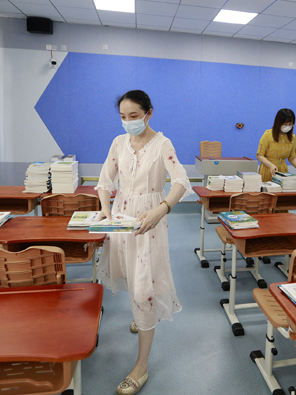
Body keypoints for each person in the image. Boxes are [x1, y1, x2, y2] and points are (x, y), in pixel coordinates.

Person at [95, 90, 192, 395]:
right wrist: (105, 208)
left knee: (144, 288)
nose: (128, 122)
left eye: (134, 116)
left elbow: (181, 181)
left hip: (149, 222)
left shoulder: (162, 145)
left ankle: (141, 366)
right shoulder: (118, 142)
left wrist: (162, 209)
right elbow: (105, 181)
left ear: (149, 113)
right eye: (123, 117)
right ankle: (140, 315)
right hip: (122, 221)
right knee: (129, 275)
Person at [257, 108, 296, 182]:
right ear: (278, 123)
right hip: (268, 169)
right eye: (285, 124)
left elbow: (292, 158)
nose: (287, 127)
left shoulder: (292, 137)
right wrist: (271, 165)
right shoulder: (268, 134)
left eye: (290, 124)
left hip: (282, 171)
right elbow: (259, 156)